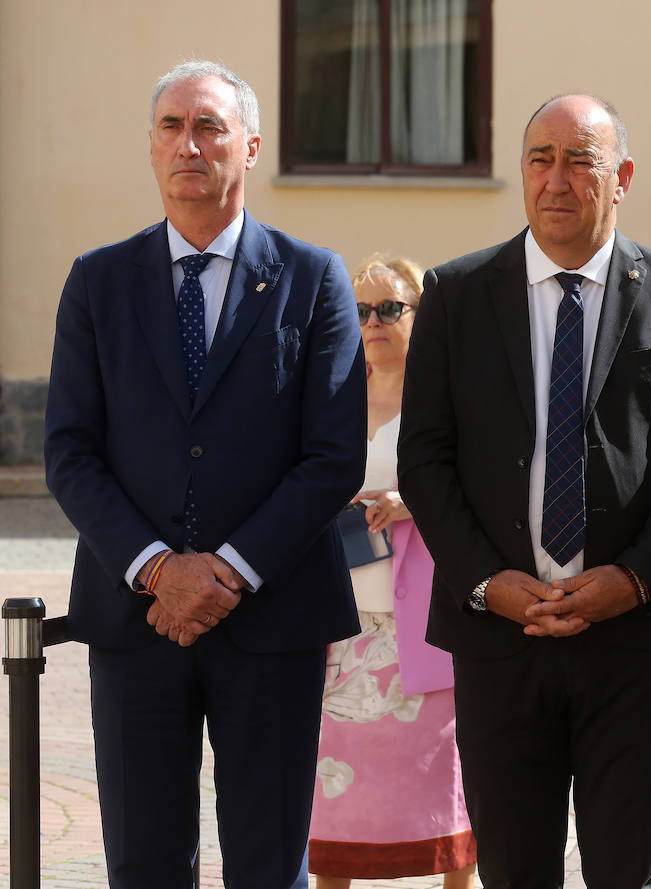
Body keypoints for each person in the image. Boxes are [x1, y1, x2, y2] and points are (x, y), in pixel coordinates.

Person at [396, 94, 651, 889]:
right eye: (540, 159)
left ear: (620, 178)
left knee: (630, 872)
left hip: (633, 639)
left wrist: (633, 579)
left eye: (579, 160)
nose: (556, 180)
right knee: (514, 870)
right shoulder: (457, 292)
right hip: (499, 638)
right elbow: (426, 460)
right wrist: (486, 582)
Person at [43, 61, 366, 889]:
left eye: (211, 127)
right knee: (144, 863)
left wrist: (226, 571)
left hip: (273, 617)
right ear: (151, 149)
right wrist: (159, 568)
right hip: (134, 620)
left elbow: (333, 455)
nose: (190, 144)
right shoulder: (97, 282)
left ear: (250, 147)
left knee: (267, 863)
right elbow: (70, 451)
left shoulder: (313, 276)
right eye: (171, 127)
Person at [308, 256, 476, 889]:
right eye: (360, 311)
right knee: (336, 780)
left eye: (390, 308)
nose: (373, 322)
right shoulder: (329, 401)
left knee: (442, 777)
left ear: (419, 317)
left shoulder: (448, 401)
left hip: (425, 620)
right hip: (339, 619)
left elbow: (481, 491)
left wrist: (412, 503)